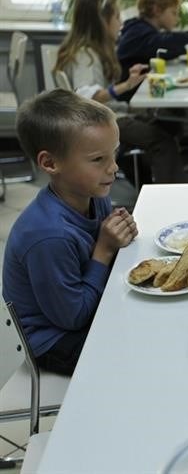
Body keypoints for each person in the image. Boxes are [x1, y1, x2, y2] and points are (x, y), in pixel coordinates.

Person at [2, 89, 139, 376]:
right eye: (98, 159)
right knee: (137, 356)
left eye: (113, 154)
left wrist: (120, 234)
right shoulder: (49, 236)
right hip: (52, 341)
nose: (113, 168)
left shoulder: (94, 193)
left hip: (80, 312)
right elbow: (73, 318)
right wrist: (104, 250)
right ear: (50, 163)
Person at [55, 0, 184, 183]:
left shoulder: (93, 49)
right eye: (116, 16)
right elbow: (86, 98)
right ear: (101, 21)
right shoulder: (85, 55)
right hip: (97, 123)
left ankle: (146, 184)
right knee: (162, 141)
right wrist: (126, 85)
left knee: (166, 121)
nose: (121, 22)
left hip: (104, 117)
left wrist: (128, 82)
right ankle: (168, 197)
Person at [116, 0, 188, 97]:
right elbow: (162, 43)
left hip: (143, 90)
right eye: (173, 13)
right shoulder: (137, 30)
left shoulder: (144, 29)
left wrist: (178, 48)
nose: (177, 18)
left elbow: (165, 50)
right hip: (132, 94)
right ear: (157, 10)